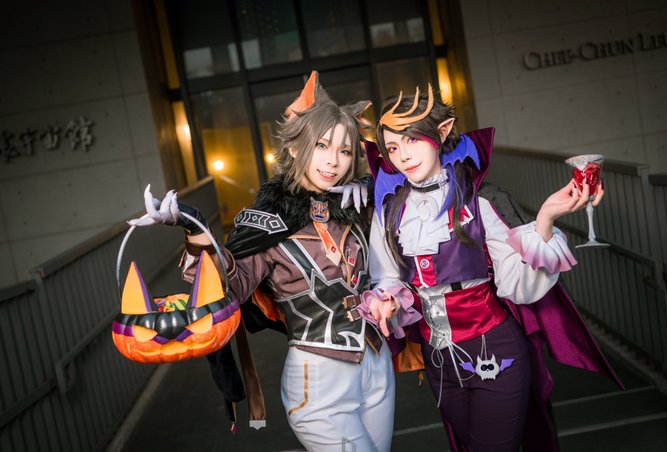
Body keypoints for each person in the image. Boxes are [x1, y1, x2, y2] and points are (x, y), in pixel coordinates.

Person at [132, 72, 405, 452]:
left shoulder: (355, 207)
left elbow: (412, 218)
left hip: (376, 365)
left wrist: (376, 186)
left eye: (345, 151)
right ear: (294, 148)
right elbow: (226, 287)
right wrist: (196, 230)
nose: (334, 161)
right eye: (321, 146)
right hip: (319, 376)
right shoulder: (266, 223)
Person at [363, 84, 621, 452]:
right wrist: (387, 299)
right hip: (439, 363)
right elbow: (387, 275)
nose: (403, 155)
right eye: (392, 148)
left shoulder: (479, 199)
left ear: (442, 132)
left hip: (495, 352)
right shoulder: (389, 210)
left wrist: (546, 218)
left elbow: (517, 283)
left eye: (412, 140)